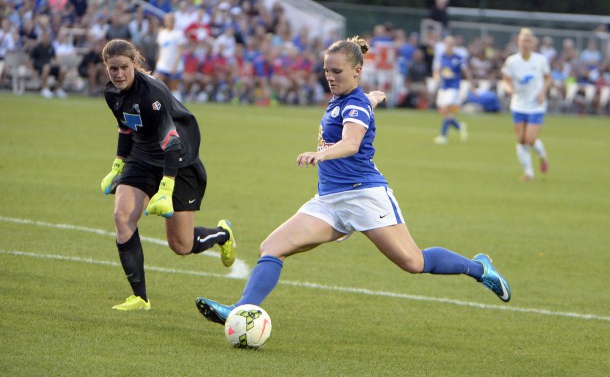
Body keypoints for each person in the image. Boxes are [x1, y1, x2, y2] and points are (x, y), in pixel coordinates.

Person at [195, 36, 511, 326]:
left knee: (413, 262)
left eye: (337, 72)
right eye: (326, 71)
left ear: (356, 71)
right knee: (272, 247)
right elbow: (359, 107)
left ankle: (480, 268)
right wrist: (372, 98)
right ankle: (239, 312)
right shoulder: (352, 99)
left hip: (364, 196)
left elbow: (351, 142)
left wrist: (321, 154)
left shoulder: (354, 103)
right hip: (329, 200)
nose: (330, 77)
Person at [100, 39, 237, 311]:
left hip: (180, 163)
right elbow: (126, 128)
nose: (118, 74)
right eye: (112, 68)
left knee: (181, 245)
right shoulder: (112, 93)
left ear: (135, 64)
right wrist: (117, 166)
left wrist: (165, 188)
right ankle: (140, 297)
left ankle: (223, 235)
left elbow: (172, 142)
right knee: (122, 216)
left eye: (124, 67)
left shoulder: (152, 93)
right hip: (141, 159)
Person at [501, 28, 551, 181]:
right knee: (521, 140)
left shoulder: (540, 60)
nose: (525, 44)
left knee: (530, 139)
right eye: (522, 41)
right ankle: (529, 173)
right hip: (518, 104)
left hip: (536, 105)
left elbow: (548, 78)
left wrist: (542, 92)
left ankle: (542, 154)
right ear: (518, 42)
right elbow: (506, 80)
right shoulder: (512, 61)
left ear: (533, 43)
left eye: (528, 41)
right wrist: (509, 89)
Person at [432, 35, 472, 144]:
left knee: (446, 109)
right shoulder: (442, 56)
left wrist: (471, 84)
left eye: (450, 44)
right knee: (443, 111)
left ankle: (443, 136)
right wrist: (436, 77)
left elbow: (465, 71)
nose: (448, 46)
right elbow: (437, 69)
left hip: (454, 86)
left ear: (453, 46)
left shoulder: (458, 58)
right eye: (447, 44)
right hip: (444, 86)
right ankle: (459, 126)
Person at [154, 12, 186, 101]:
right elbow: (160, 49)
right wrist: (158, 61)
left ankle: (178, 106)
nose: (169, 22)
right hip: (163, 64)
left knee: (174, 87)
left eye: (171, 20)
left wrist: (175, 65)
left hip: (173, 65)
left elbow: (180, 51)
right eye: (167, 20)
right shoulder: (162, 33)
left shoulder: (178, 34)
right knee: (155, 83)